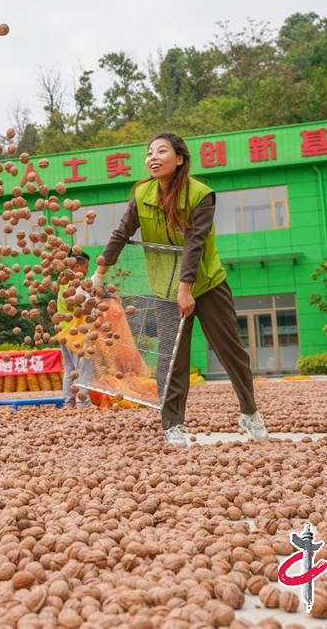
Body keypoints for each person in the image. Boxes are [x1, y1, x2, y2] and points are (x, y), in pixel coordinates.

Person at [92, 133, 269, 446]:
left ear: (180, 159)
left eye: (162, 151)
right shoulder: (142, 192)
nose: (153, 158)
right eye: (149, 153)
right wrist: (100, 272)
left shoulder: (201, 195)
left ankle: (250, 413)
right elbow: (121, 233)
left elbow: (194, 244)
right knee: (172, 360)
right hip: (164, 288)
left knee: (231, 352)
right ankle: (172, 424)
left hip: (206, 283)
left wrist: (186, 289)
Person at [57, 251, 93, 408]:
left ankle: (68, 403)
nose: (86, 270)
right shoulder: (77, 285)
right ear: (77, 266)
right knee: (83, 368)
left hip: (63, 333)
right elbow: (87, 306)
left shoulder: (63, 283)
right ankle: (83, 403)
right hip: (75, 333)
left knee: (69, 370)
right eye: (86, 267)